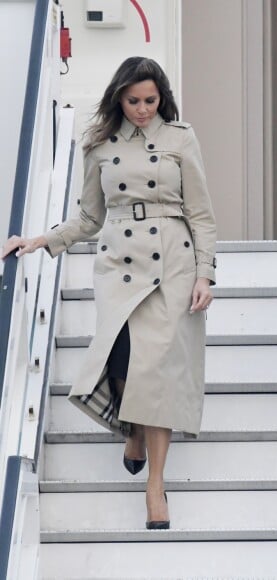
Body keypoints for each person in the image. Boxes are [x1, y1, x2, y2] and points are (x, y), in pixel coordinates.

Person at [1, 57, 217, 530]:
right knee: (122, 365)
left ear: (162, 97)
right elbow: (88, 218)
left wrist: (205, 274)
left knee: (158, 373)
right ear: (119, 97)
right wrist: (40, 240)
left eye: (150, 101)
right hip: (119, 262)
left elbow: (201, 213)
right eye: (134, 100)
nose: (142, 109)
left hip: (173, 262)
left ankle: (155, 487)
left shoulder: (181, 137)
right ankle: (133, 432)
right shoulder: (98, 144)